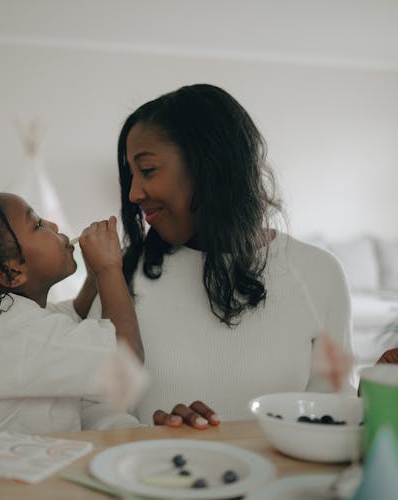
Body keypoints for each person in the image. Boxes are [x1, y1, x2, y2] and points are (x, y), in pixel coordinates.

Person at [114, 83, 354, 428]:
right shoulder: (120, 272)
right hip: (155, 478)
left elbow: (336, 404)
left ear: (209, 166)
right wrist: (149, 439)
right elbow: (97, 406)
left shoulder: (319, 273)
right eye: (131, 175)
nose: (134, 192)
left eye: (148, 170)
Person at [0, 190, 143, 436]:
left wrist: (92, 279)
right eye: (38, 225)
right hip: (8, 468)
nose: (53, 224)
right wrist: (109, 269)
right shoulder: (18, 332)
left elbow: (71, 315)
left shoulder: (4, 320)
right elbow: (126, 357)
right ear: (11, 274)